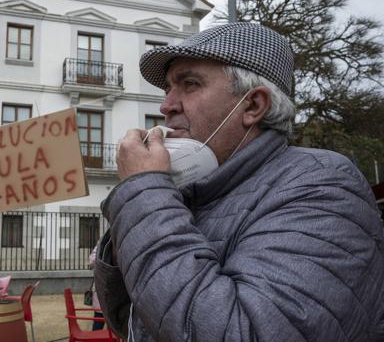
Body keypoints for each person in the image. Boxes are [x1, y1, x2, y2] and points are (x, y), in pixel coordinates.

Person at [93, 22, 384, 342]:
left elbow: (240, 332)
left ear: (253, 106)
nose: (166, 106)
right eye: (167, 89)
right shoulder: (192, 191)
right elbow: (135, 321)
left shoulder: (321, 184)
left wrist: (145, 192)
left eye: (189, 84)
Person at [88, 242, 105, 330]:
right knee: (98, 321)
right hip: (100, 290)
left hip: (117, 292)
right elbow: (91, 263)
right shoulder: (101, 244)